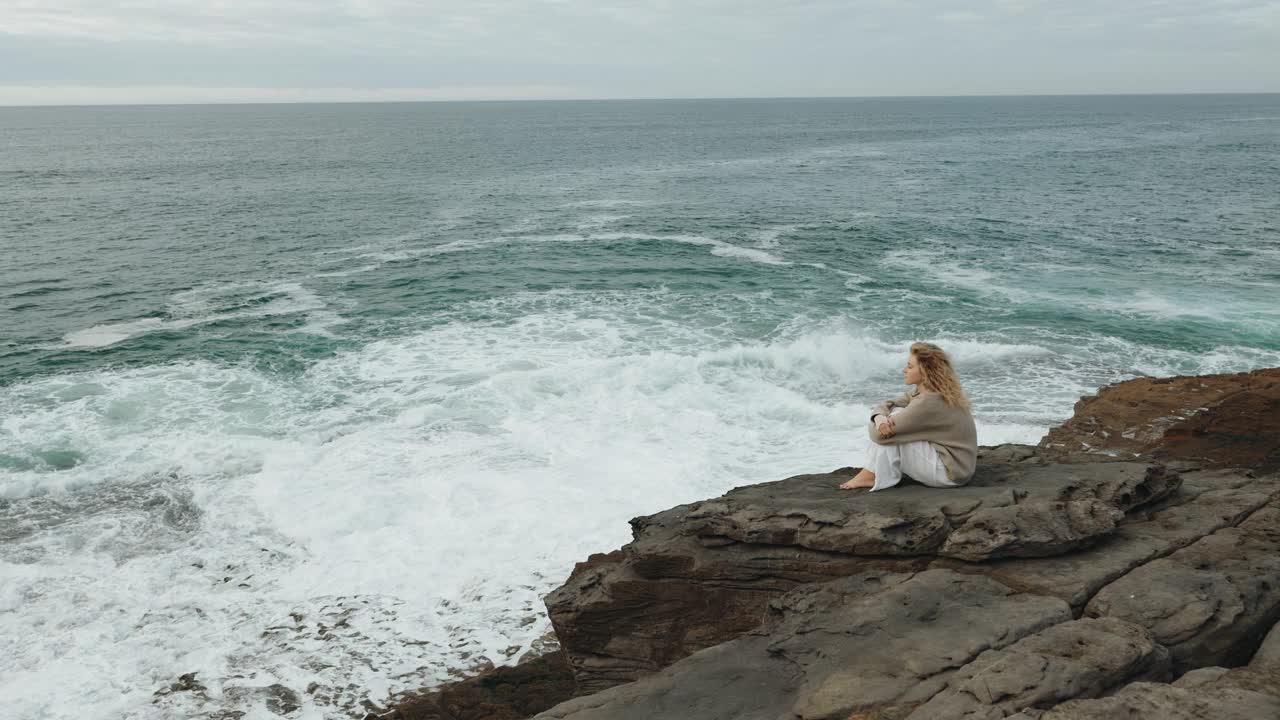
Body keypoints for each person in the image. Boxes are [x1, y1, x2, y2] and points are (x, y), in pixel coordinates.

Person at [839, 342, 977, 491]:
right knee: (895, 413)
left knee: (892, 427)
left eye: (910, 367)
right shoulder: (929, 392)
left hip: (949, 474)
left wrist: (882, 423)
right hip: (958, 467)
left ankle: (871, 475)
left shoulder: (928, 401)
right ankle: (871, 474)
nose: (904, 370)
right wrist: (879, 417)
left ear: (926, 372)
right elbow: (889, 403)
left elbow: (878, 436)